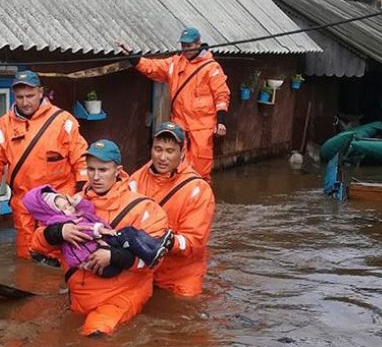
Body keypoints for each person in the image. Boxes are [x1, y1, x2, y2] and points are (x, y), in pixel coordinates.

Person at [30, 140, 169, 337]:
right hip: (79, 297)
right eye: (91, 169)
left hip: (121, 295)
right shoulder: (72, 203)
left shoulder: (144, 208)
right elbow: (36, 245)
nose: (95, 176)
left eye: (103, 170)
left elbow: (154, 261)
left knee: (95, 333)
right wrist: (59, 232)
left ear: (118, 171)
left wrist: (113, 256)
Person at [0, 70, 88, 260]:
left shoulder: (63, 121)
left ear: (41, 92)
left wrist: (82, 191)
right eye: (20, 97)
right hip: (23, 201)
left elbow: (81, 158)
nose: (25, 102)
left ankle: (59, 288)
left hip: (58, 200)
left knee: (60, 253)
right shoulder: (4, 125)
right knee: (26, 254)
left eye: (30, 95)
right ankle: (28, 286)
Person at [119, 27, 231, 181]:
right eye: (183, 45)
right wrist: (134, 57)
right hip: (179, 125)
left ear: (198, 43)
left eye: (189, 46)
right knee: (175, 166)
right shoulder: (175, 63)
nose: (185, 49)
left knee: (201, 171)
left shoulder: (211, 68)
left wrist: (221, 121)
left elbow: (222, 94)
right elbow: (152, 67)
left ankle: (200, 199)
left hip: (202, 128)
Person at [129, 121, 216, 297]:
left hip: (181, 275)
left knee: (182, 316)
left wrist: (167, 242)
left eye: (170, 151)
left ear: (182, 153)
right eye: (158, 149)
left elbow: (195, 242)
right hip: (142, 269)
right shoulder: (135, 180)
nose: (162, 157)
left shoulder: (198, 190)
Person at [23, 184, 174, 276]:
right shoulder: (60, 222)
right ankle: (152, 252)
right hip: (97, 262)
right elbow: (84, 230)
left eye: (67, 204)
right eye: (64, 207)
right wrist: (100, 230)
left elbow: (89, 209)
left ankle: (155, 246)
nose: (69, 208)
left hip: (101, 259)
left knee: (129, 235)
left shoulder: (72, 211)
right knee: (128, 234)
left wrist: (76, 202)